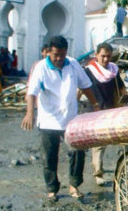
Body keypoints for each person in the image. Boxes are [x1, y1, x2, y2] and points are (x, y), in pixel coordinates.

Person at [21, 36, 100, 202]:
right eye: (56, 55)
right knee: (49, 156)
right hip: (48, 119)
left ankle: (74, 185)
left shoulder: (72, 64)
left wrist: (95, 104)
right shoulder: (41, 67)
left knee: (78, 152)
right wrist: (29, 113)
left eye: (62, 55)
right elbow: (32, 93)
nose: (58, 59)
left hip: (70, 118)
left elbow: (85, 85)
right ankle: (52, 189)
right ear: (49, 52)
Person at [84, 42, 124, 186]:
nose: (106, 59)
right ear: (96, 56)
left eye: (108, 56)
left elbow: (120, 88)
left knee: (122, 139)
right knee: (99, 144)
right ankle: (98, 173)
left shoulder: (114, 70)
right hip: (96, 111)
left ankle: (124, 169)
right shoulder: (89, 71)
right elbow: (83, 89)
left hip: (112, 109)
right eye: (102, 56)